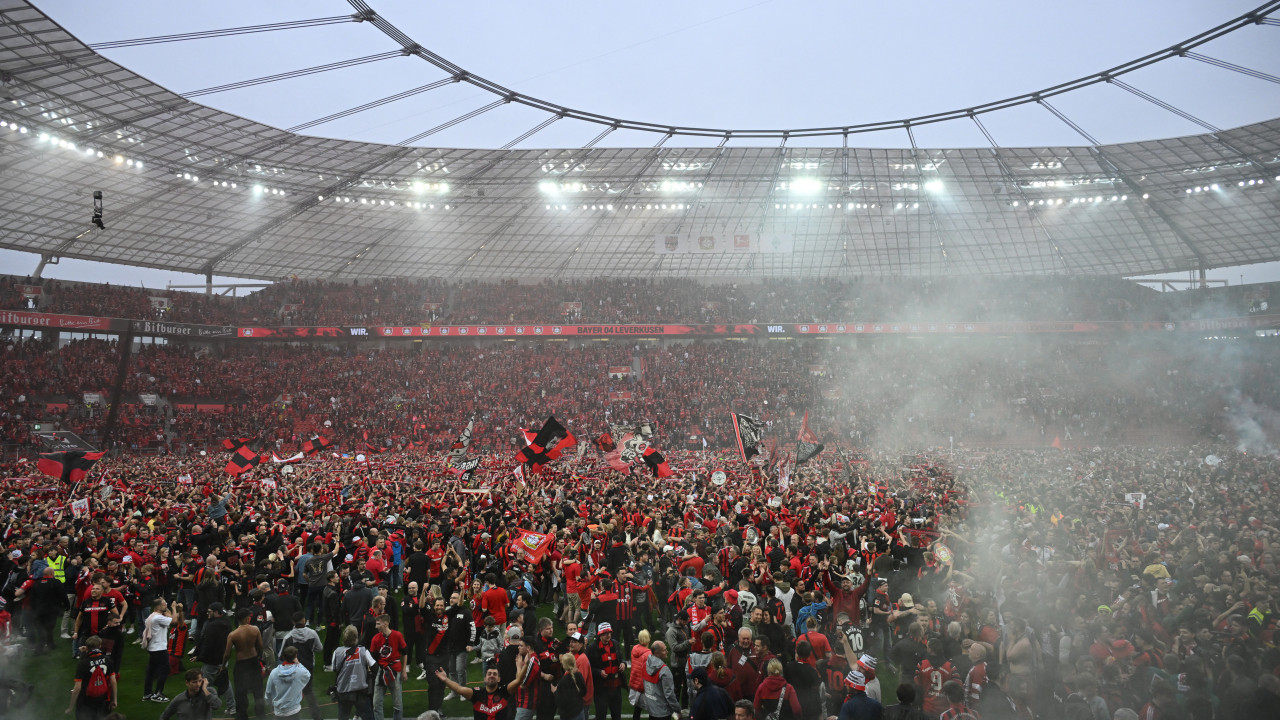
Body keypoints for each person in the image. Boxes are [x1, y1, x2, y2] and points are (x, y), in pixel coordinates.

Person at [435, 661, 523, 720]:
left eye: (495, 674)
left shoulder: (504, 691)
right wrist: (445, 679)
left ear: (499, 679)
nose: (492, 675)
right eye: (489, 674)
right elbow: (459, 689)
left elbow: (519, 680)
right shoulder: (476, 693)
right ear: (485, 678)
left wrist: (523, 665)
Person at [280, 610, 325, 720]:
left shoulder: (288, 637)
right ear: (304, 620)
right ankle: (317, 717)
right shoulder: (312, 633)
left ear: (293, 622)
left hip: (293, 670)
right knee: (309, 692)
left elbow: (281, 655)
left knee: (293, 693)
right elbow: (320, 648)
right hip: (308, 667)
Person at [225, 606, 267, 720]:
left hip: (241, 665)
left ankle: (242, 716)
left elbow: (227, 654)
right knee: (258, 691)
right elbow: (261, 646)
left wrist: (223, 665)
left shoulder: (233, 634)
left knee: (240, 693)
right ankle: (261, 715)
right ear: (246, 618)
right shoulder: (255, 629)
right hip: (254, 662)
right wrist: (258, 657)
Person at [331, 624, 377, 720]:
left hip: (343, 691)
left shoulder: (337, 652)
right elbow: (375, 667)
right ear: (356, 638)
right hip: (360, 692)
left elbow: (334, 668)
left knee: (343, 717)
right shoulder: (363, 651)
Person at [68, 634, 117, 720]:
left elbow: (77, 688)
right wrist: (114, 699)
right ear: (100, 646)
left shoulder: (83, 664)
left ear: (86, 647)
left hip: (85, 701)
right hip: (102, 698)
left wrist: (71, 707)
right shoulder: (108, 660)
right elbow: (113, 681)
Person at [370, 613, 408, 720]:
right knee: (376, 704)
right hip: (381, 671)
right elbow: (373, 658)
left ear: (385, 624)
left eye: (378, 624)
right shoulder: (375, 639)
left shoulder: (397, 635)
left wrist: (404, 670)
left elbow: (405, 652)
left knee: (397, 705)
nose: (376, 626)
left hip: (395, 671)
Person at [587, 621, 625, 720]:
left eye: (609, 633)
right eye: (605, 633)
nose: (608, 635)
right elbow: (588, 668)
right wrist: (598, 672)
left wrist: (623, 664)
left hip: (616, 687)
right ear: (599, 634)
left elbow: (621, 658)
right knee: (600, 715)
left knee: (617, 715)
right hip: (601, 689)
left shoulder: (615, 644)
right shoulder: (592, 648)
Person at [264, 645, 312, 720]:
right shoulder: (299, 671)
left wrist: (273, 705)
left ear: (283, 656)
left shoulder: (274, 672)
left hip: (279, 712)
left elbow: (268, 693)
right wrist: (298, 663)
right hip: (294, 711)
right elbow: (307, 674)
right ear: (295, 656)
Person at [143, 596, 176, 703]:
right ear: (158, 607)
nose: (166, 605)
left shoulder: (151, 617)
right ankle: (158, 694)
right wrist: (174, 608)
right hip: (159, 648)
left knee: (151, 671)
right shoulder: (158, 618)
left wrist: (167, 611)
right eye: (164, 604)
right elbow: (174, 621)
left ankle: (147, 693)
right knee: (165, 670)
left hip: (153, 648)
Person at [642, 641, 681, 720]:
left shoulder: (645, 665)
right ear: (657, 653)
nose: (667, 651)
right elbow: (669, 695)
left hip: (651, 710)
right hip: (663, 713)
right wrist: (678, 710)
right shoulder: (664, 671)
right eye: (664, 650)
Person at [555, 652, 590, 720]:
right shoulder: (579, 675)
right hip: (579, 712)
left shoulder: (562, 682)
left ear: (563, 664)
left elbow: (561, 702)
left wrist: (555, 692)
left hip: (568, 715)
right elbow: (583, 692)